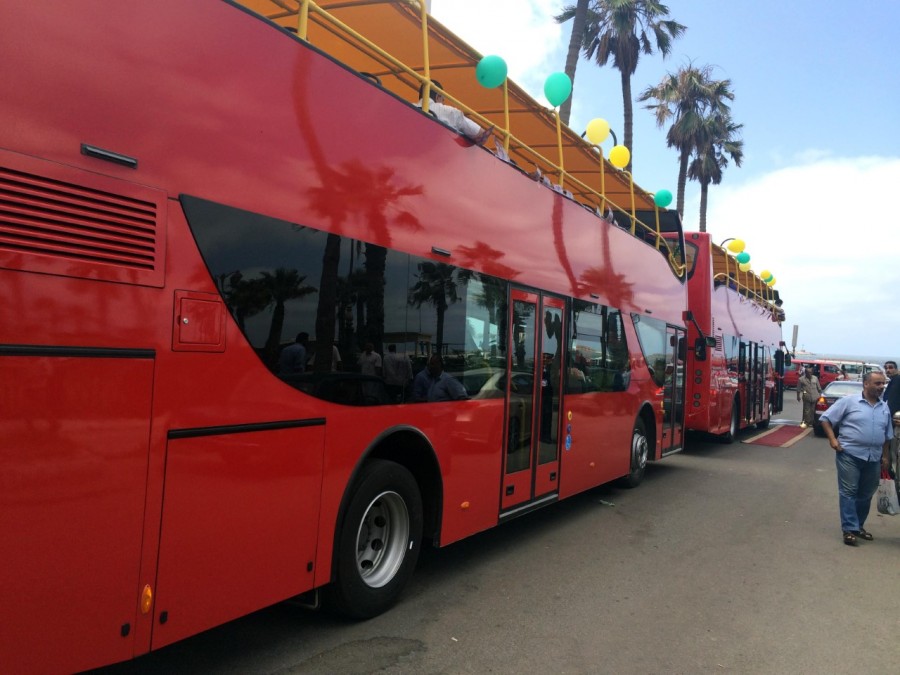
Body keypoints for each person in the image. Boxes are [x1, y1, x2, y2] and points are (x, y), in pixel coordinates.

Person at [819, 370, 892, 546]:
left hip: (873, 457)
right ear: (866, 384)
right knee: (849, 491)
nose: (881, 387)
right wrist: (833, 440)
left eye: (883, 383)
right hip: (849, 454)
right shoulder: (849, 401)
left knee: (866, 494)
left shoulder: (884, 407)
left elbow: (887, 435)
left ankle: (858, 526)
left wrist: (885, 456)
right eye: (877, 383)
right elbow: (825, 419)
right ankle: (849, 529)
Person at [417, 80, 492, 145]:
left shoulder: (410, 108)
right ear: (438, 97)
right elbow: (481, 134)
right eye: (443, 100)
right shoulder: (450, 112)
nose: (443, 103)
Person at [796, 363, 821, 429]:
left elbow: (819, 388)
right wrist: (798, 396)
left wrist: (820, 395)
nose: (809, 374)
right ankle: (806, 422)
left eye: (810, 372)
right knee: (806, 411)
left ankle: (811, 422)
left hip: (815, 397)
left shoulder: (815, 378)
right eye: (807, 372)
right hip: (806, 396)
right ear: (805, 373)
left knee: (813, 410)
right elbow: (798, 389)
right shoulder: (801, 379)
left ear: (812, 372)